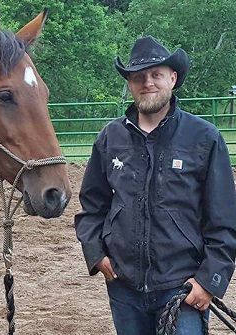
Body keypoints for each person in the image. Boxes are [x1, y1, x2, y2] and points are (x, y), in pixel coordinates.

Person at [74, 35, 236, 335]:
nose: (147, 82)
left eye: (156, 75)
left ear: (172, 79)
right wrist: (96, 254)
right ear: (130, 84)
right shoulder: (110, 139)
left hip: (182, 288)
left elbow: (224, 220)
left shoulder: (205, 138)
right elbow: (92, 206)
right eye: (138, 77)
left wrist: (209, 280)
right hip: (124, 287)